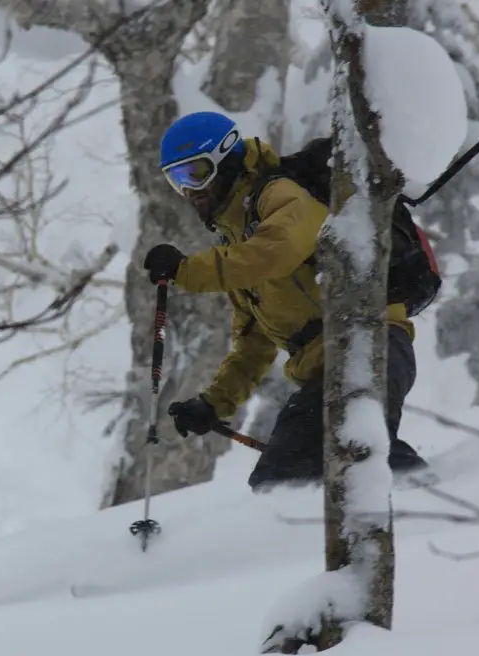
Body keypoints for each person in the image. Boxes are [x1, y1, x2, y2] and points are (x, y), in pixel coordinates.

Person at [142, 110, 428, 492]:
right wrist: (214, 404)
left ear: (226, 157)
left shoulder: (280, 195)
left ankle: (424, 503)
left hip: (369, 342)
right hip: (333, 363)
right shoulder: (237, 244)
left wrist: (186, 271)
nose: (190, 191)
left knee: (284, 475)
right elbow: (254, 344)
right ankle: (427, 497)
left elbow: (279, 248)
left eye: (195, 173)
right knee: (348, 461)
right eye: (176, 180)